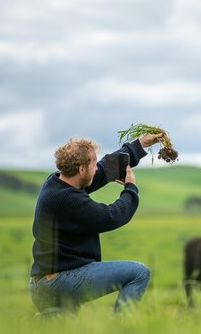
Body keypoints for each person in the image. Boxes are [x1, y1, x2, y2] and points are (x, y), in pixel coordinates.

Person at [29, 133, 163, 316]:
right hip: (60, 281)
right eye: (93, 163)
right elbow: (111, 217)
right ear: (82, 169)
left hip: (45, 281)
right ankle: (121, 330)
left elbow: (103, 169)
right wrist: (131, 189)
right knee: (139, 273)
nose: (97, 167)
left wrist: (140, 145)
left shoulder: (58, 182)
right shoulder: (68, 199)